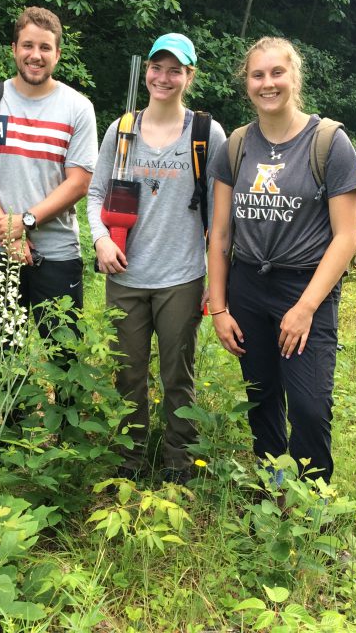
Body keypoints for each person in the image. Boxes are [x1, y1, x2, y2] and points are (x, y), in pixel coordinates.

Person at [206, 37, 356, 485]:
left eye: (277, 73)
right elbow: (220, 234)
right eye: (258, 75)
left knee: (311, 407)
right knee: (261, 398)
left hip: (305, 288)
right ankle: (274, 494)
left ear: (295, 77)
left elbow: (347, 236)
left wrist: (306, 308)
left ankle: (312, 507)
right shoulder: (236, 146)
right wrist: (218, 307)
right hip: (248, 289)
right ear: (247, 83)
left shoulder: (329, 143)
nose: (267, 83)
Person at [87, 33, 226, 485]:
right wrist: (101, 241)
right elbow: (94, 193)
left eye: (175, 69)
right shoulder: (121, 129)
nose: (164, 77)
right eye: (157, 67)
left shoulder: (206, 134)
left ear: (189, 76)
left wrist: (216, 279)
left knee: (177, 375)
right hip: (125, 274)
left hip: (181, 278)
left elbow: (220, 213)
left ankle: (178, 463)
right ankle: (129, 457)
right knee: (126, 372)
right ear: (146, 70)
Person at [0, 6, 97, 342]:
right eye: (28, 46)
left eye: (45, 48)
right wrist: (9, 231)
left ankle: (62, 400)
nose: (35, 56)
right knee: (6, 348)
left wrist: (27, 222)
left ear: (58, 54)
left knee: (63, 351)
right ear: (14, 49)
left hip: (58, 251)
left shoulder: (78, 108)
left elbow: (79, 182)